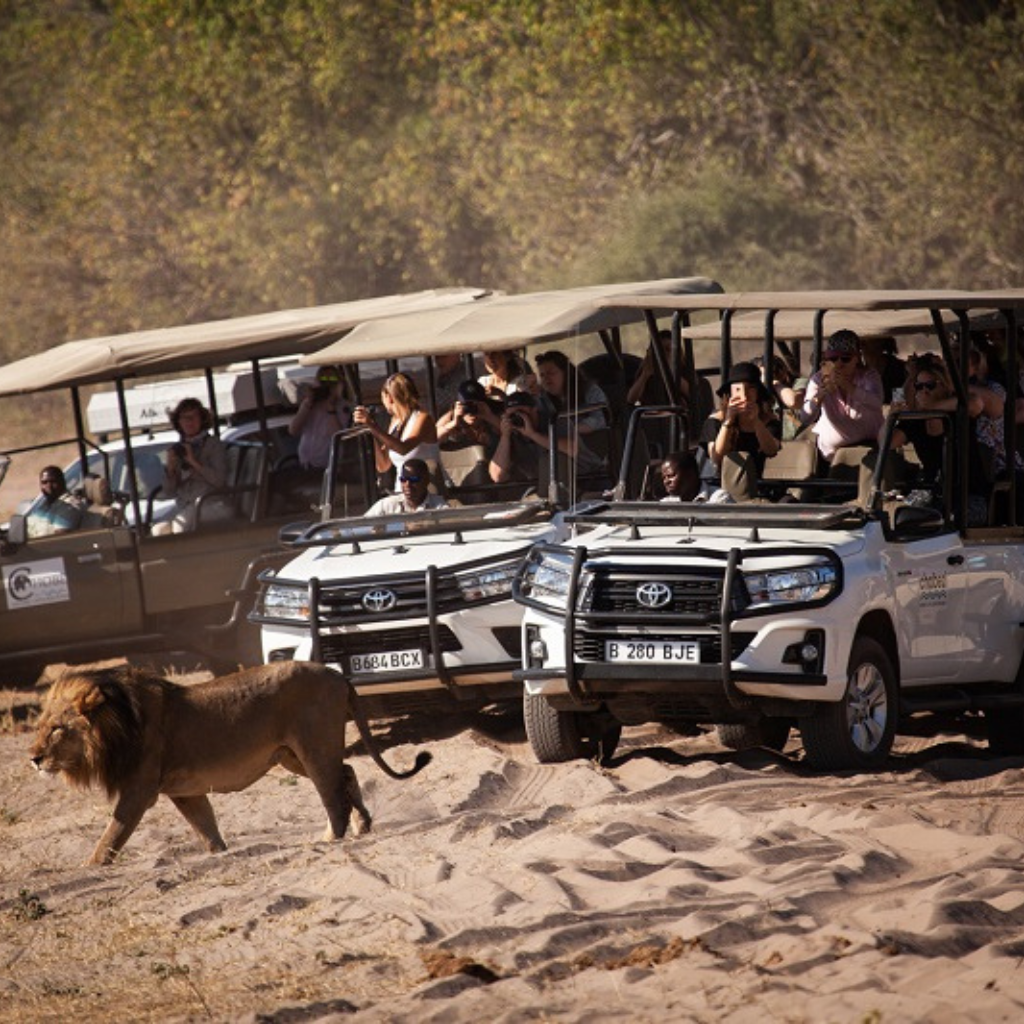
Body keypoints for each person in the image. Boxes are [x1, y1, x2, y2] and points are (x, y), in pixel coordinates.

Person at [799, 330, 885, 463]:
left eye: (845, 359)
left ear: (856, 358)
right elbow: (805, 417)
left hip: (867, 447)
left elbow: (876, 403)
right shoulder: (818, 379)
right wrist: (820, 395)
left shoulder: (868, 376)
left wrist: (849, 387)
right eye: (833, 358)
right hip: (829, 454)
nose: (839, 364)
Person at [698, 362, 781, 498]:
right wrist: (728, 422)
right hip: (721, 488)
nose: (745, 395)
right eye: (738, 389)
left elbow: (771, 450)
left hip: (758, 487)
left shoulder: (769, 420)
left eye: (750, 389)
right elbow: (716, 456)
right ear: (729, 393)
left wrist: (756, 422)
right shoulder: (715, 421)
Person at [353, 372, 439, 490]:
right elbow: (383, 465)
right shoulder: (395, 422)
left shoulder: (422, 418)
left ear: (389, 398)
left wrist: (372, 426)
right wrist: (369, 431)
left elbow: (403, 448)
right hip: (403, 490)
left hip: (426, 489)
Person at [155, 398, 228, 534]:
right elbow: (169, 492)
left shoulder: (213, 444)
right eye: (184, 418)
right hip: (185, 504)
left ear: (202, 419)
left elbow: (219, 481)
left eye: (194, 417)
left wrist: (194, 462)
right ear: (179, 422)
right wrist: (170, 468)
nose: (189, 421)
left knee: (180, 528)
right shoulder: (178, 449)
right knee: (159, 530)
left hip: (211, 502)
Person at [534, 350, 609, 478]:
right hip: (559, 466)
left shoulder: (590, 390)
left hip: (595, 457)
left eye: (551, 373)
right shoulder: (541, 400)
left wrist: (574, 429)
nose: (546, 379)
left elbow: (603, 418)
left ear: (566, 373)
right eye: (542, 375)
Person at [626, 328, 715, 428]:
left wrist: (670, 370)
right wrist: (645, 375)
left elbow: (692, 394)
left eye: (668, 350)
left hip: (681, 422)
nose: (664, 355)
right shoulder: (647, 371)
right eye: (659, 351)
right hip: (653, 423)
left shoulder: (684, 370)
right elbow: (631, 399)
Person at [287, 365, 352, 472]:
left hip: (327, 468)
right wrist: (307, 405)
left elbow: (339, 435)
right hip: (305, 464)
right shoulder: (310, 404)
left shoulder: (343, 407)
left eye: (331, 379)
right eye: (323, 379)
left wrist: (331, 408)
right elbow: (293, 430)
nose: (327, 383)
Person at [489, 391, 545, 484]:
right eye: (512, 415)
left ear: (534, 410)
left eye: (521, 412)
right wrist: (505, 436)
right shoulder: (510, 438)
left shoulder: (549, 428)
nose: (517, 417)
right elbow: (497, 476)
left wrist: (533, 434)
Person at [437, 380, 503, 455]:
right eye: (467, 405)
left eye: (475, 405)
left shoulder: (493, 413)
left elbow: (512, 435)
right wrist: (453, 423)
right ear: (458, 405)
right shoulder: (450, 417)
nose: (471, 411)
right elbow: (432, 441)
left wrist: (489, 417)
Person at [365, 459, 448, 515]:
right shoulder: (387, 505)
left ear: (426, 481)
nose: (407, 484)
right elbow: (361, 528)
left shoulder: (439, 507)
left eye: (413, 479)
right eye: (403, 479)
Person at [25, 466, 83, 538]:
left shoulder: (70, 506)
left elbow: (58, 539)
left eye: (53, 482)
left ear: (62, 482)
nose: (49, 486)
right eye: (44, 482)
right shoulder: (44, 503)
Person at [658, 450, 733, 504]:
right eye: (664, 478)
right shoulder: (667, 504)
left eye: (671, 476)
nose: (666, 481)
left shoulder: (719, 499)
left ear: (690, 474)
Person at [860, 336, 907, 404]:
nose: (864, 350)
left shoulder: (896, 367)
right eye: (863, 346)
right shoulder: (858, 371)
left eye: (866, 346)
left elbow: (898, 400)